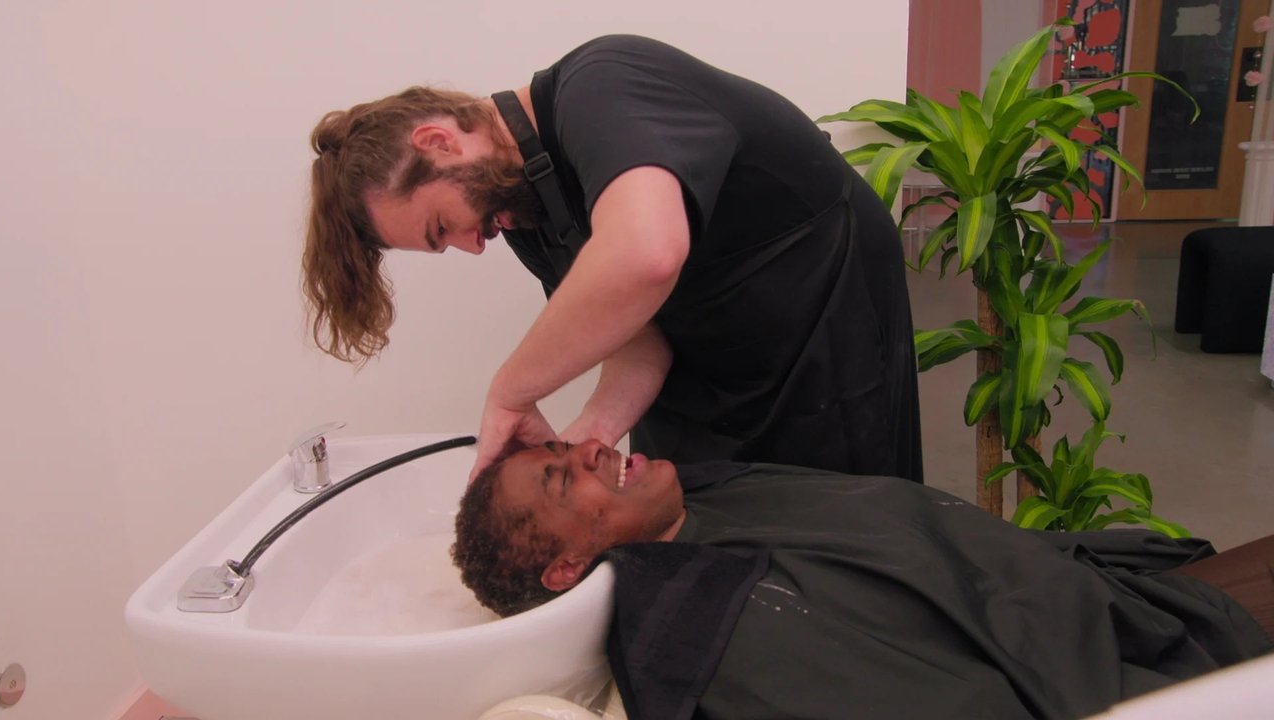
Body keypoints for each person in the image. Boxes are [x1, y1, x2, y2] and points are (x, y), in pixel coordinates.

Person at [302, 34, 922, 484]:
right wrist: (585, 440)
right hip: (714, 374)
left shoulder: (604, 84)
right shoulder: (522, 211)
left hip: (820, 326)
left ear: (439, 142)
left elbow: (647, 255)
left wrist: (509, 393)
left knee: (837, 552)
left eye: (442, 227)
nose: (471, 244)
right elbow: (639, 338)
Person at [451, 440, 1273, 720]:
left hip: (1122, 603)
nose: (590, 448)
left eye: (562, 449)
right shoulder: (722, 632)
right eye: (564, 480)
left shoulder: (717, 495)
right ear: (566, 567)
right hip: (1138, 674)